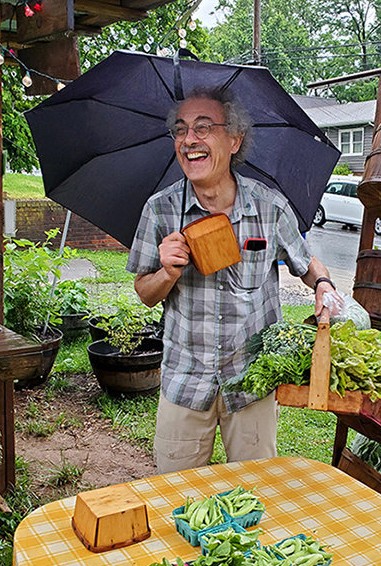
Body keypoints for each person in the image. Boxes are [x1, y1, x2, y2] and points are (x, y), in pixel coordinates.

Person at [128, 79, 346, 470]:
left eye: (203, 127)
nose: (189, 139)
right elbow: (145, 292)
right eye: (180, 129)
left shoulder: (269, 207)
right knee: (176, 499)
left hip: (250, 385)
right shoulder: (160, 210)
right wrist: (166, 271)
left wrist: (324, 285)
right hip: (185, 384)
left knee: (253, 494)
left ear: (234, 139)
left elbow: (307, 263)